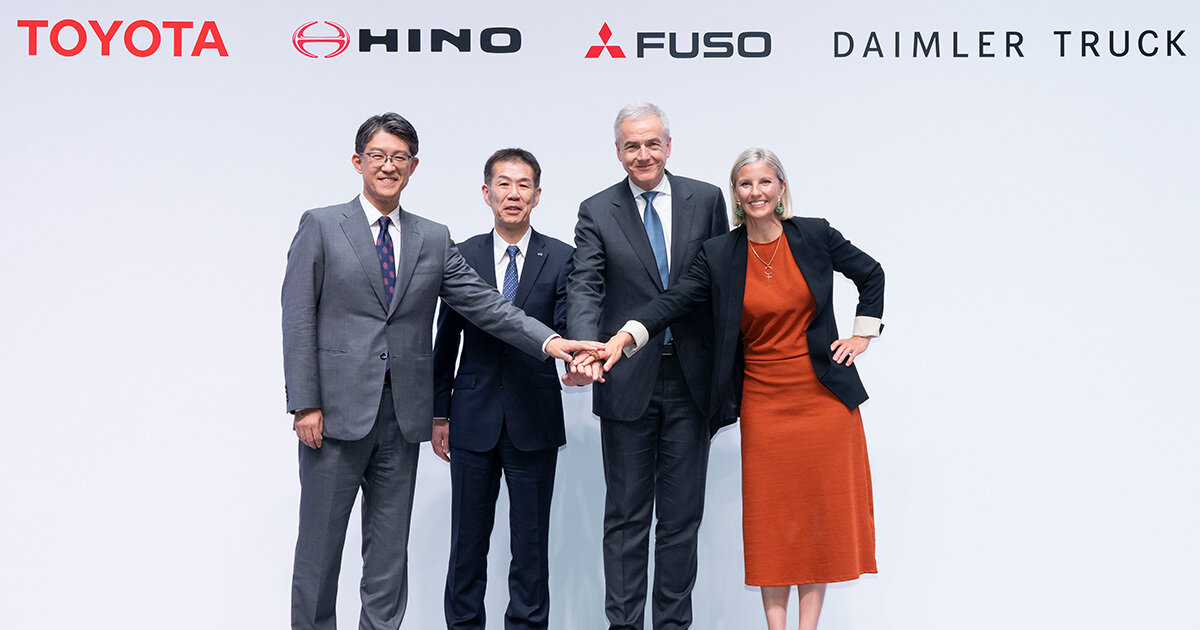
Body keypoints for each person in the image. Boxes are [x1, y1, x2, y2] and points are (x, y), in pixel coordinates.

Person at [282, 114, 599, 630]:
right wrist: (305, 402)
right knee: (320, 552)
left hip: (402, 418)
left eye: (400, 157)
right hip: (334, 414)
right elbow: (298, 318)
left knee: (389, 557)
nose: (389, 166)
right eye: (379, 155)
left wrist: (551, 341)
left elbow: (484, 303)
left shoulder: (432, 237)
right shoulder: (321, 225)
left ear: (413, 167)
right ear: (358, 161)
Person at [590, 148, 884, 630]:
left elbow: (871, 273)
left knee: (818, 518)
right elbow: (673, 301)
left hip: (823, 401)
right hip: (763, 400)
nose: (756, 192)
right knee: (772, 520)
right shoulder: (721, 253)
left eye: (765, 182)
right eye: (746, 184)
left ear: (781, 188)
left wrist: (862, 334)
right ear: (735, 194)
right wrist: (625, 337)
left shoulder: (815, 234)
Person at [565, 102, 729, 630]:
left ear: (669, 146)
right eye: (631, 146)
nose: (643, 155)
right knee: (626, 519)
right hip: (625, 379)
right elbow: (585, 284)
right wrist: (585, 348)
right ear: (618, 152)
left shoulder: (706, 199)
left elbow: (722, 286)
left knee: (681, 519)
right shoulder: (597, 210)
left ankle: (674, 625)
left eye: (652, 143)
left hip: (692, 381)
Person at [430, 148, 573, 630]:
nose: (514, 194)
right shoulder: (461, 255)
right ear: (486, 192)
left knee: (531, 546)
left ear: (538, 195)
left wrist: (580, 358)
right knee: (466, 543)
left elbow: (568, 327)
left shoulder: (562, 257)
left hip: (535, 417)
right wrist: (439, 413)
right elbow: (445, 340)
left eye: (524, 184)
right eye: (504, 184)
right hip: (472, 418)